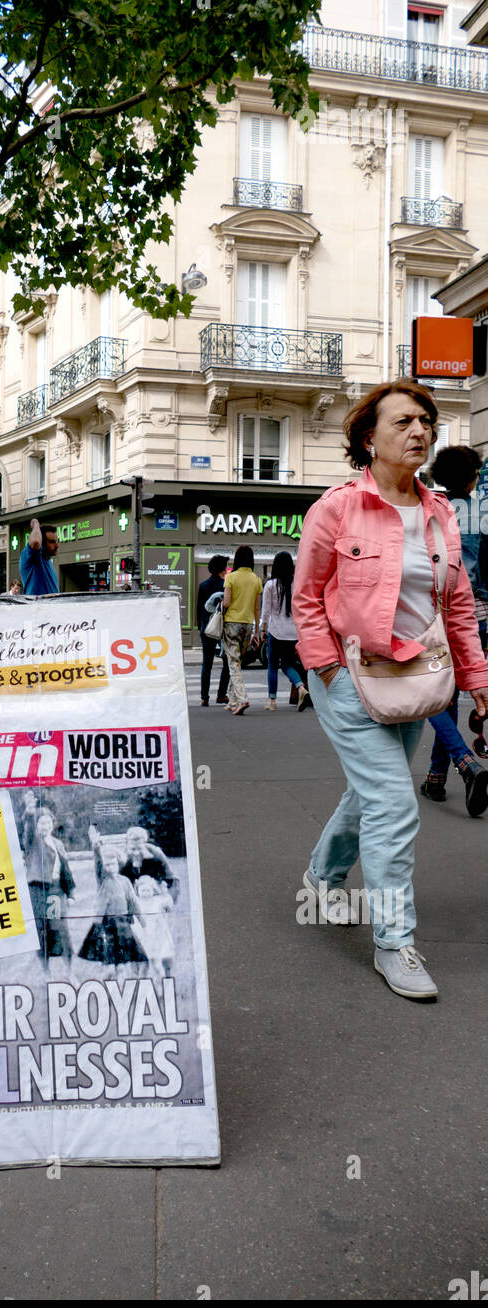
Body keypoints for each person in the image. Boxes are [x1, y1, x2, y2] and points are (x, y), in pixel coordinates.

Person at [293, 380, 488, 1001]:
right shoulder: (338, 507)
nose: (420, 431)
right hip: (349, 675)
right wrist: (325, 666)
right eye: (403, 421)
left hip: (415, 677)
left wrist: (478, 679)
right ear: (367, 437)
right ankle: (394, 942)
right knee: (393, 805)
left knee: (371, 793)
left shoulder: (439, 513)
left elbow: (457, 606)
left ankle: (320, 879)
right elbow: (306, 597)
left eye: (426, 421)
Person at [419, 445, 488, 815]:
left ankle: (463, 762)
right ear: (472, 477)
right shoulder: (483, 513)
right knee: (454, 695)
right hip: (477, 616)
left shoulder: (429, 509)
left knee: (432, 695)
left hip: (435, 614)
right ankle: (435, 777)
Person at [78, 825, 148, 968]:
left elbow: (133, 902)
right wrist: (95, 845)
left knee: (124, 962)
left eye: (112, 864)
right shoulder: (103, 880)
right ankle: (108, 980)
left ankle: (121, 982)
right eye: (106, 865)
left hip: (123, 923)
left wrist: (143, 921)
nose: (109, 867)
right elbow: (97, 861)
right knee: (109, 961)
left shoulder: (125, 881)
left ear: (118, 863)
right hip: (107, 924)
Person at [260, 551, 312, 712]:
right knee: (288, 665)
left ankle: (272, 701)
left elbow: (266, 611)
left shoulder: (270, 585)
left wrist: (263, 629)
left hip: (276, 632)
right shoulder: (296, 584)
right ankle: (301, 688)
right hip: (293, 633)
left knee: (273, 665)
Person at [25, 807, 75, 965]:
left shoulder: (58, 843)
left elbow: (65, 869)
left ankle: (69, 972)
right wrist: (30, 813)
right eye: (41, 823)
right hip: (38, 891)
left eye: (47, 822)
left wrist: (70, 893)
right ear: (36, 825)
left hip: (55, 891)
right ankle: (47, 974)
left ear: (52, 824)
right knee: (42, 932)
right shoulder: (32, 841)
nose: (45, 826)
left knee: (60, 930)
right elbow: (28, 828)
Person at [221, 544, 263, 715]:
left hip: (231, 622)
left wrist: (220, 616)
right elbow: (257, 608)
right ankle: (232, 701)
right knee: (237, 661)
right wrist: (257, 631)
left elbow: (225, 603)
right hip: (248, 624)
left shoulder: (231, 578)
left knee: (233, 663)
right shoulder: (256, 580)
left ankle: (243, 698)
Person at [197, 555, 230, 706]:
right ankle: (221, 694)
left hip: (206, 628)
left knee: (207, 663)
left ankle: (204, 697)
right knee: (226, 662)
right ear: (222, 569)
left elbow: (199, 609)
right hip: (221, 628)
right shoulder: (225, 586)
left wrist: (200, 627)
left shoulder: (203, 585)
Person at [118, 825, 179, 903]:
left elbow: (172, 879)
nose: (136, 853)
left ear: (145, 845)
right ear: (126, 846)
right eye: (132, 849)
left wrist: (169, 899)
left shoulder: (156, 854)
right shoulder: (121, 858)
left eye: (140, 848)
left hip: (153, 894)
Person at [19, 517, 59, 595]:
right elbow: (35, 542)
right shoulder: (30, 556)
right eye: (52, 542)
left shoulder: (48, 561)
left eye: (57, 541)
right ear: (42, 543)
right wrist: (36, 524)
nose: (57, 545)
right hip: (36, 607)